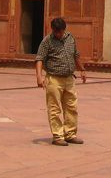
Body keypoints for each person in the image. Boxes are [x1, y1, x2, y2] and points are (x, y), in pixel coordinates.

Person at [35, 17, 86, 146]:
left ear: (64, 29)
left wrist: (82, 69)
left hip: (69, 78)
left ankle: (70, 134)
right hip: (54, 79)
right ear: (52, 30)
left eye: (60, 31)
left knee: (71, 107)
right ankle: (58, 135)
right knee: (54, 108)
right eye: (56, 32)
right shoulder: (47, 41)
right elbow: (39, 58)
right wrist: (39, 76)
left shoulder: (70, 38)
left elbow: (76, 54)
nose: (58, 34)